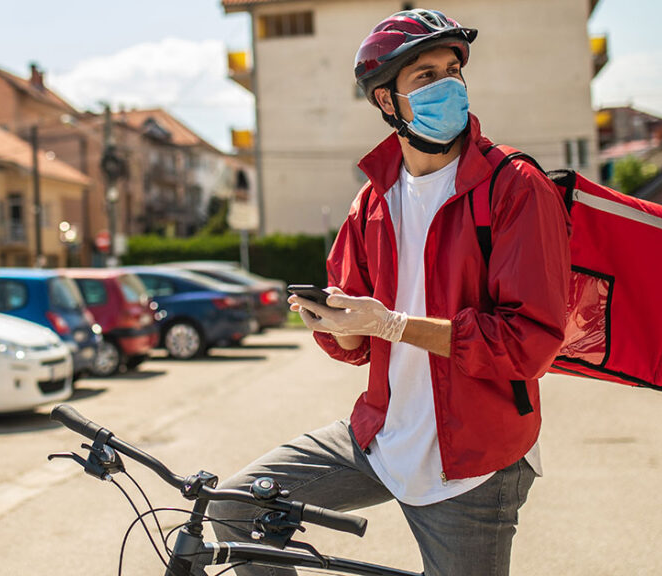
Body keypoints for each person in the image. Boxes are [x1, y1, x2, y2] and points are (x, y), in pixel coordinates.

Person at [208, 9, 571, 575]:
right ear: (386, 101)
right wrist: (338, 326)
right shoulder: (373, 201)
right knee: (234, 509)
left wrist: (393, 325)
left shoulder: (516, 187)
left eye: (453, 70)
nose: (448, 85)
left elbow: (529, 343)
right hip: (380, 437)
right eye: (425, 77)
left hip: (474, 460)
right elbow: (357, 344)